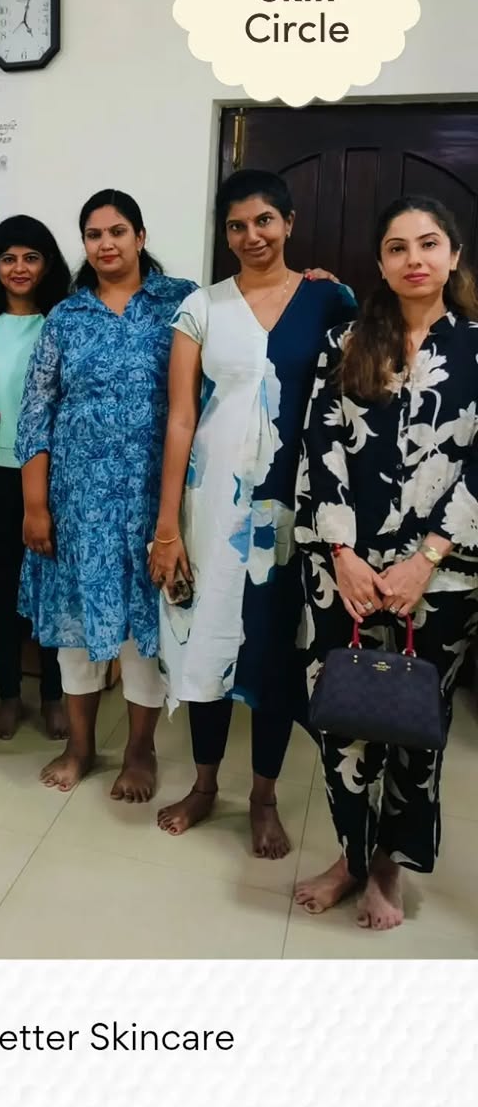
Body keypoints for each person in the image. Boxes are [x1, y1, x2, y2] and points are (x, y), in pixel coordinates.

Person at [151, 170, 357, 857]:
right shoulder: (201, 308)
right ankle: (205, 784)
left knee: (275, 648)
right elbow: (181, 418)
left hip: (295, 507)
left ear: (289, 223)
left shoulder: (330, 300)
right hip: (213, 505)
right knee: (207, 636)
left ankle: (264, 797)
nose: (251, 236)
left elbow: (356, 398)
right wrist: (168, 526)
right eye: (237, 226)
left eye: (264, 220)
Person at [294, 195, 478, 930]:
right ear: (380, 262)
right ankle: (348, 853)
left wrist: (425, 559)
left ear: (454, 255)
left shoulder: (476, 347)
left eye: (429, 244)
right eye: (398, 248)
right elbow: (320, 445)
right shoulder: (346, 341)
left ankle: (389, 864)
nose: (414, 259)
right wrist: (341, 553)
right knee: (343, 719)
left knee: (414, 721)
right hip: (344, 571)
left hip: (443, 577)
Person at [18, 190, 196, 795]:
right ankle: (80, 746)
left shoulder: (180, 303)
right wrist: (35, 505)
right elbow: (36, 413)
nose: (106, 244)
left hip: (154, 501)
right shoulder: (66, 317)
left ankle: (141, 751)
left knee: (146, 630)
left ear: (140, 237)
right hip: (78, 503)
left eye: (118, 231)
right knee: (76, 631)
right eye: (94, 235)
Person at [0, 215, 71, 741]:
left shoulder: (64, 316)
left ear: (47, 264)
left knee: (50, 587)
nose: (19, 268)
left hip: (50, 472)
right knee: (0, 585)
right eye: (8, 258)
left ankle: (53, 695)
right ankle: (8, 694)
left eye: (30, 257)